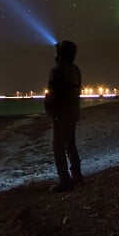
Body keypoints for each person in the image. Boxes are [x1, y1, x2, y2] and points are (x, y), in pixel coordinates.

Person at [44, 39, 83, 192]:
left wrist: (50, 109)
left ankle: (65, 181)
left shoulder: (57, 69)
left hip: (61, 113)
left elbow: (55, 93)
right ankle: (77, 177)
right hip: (73, 111)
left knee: (58, 147)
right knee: (71, 144)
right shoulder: (75, 69)